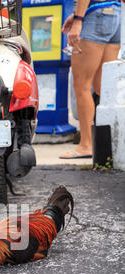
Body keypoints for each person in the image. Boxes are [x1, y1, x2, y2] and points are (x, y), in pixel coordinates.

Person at [60, 0, 121, 159]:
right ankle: (115, 143)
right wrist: (77, 15)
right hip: (115, 13)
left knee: (82, 85)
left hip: (96, 16)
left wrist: (78, 20)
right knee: (104, 87)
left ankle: (86, 145)